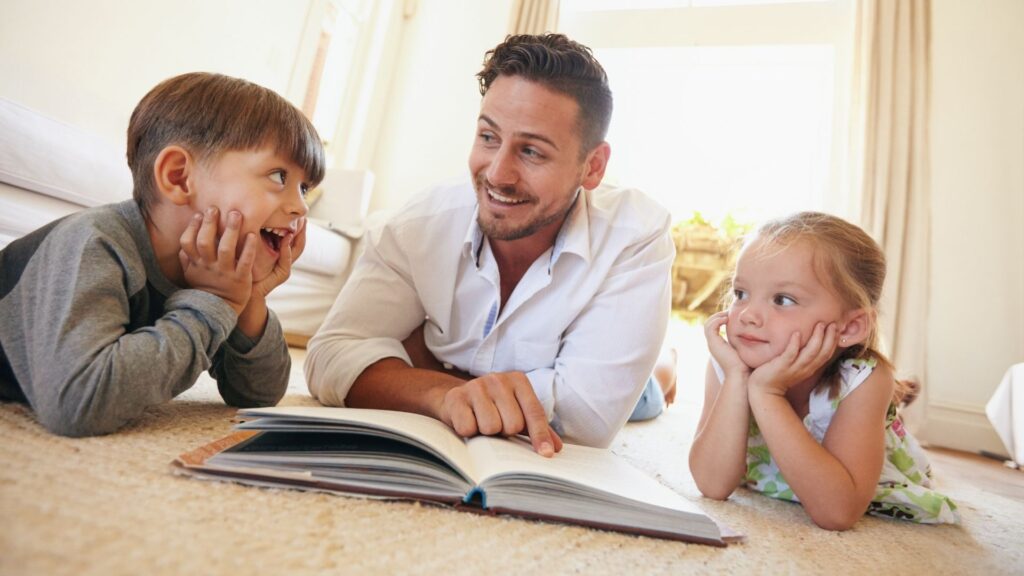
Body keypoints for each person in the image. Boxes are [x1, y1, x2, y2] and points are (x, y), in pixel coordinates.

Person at [305, 33, 675, 455]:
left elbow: (586, 422)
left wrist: (414, 367)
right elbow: (329, 356)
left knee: (647, 396)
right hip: (496, 363)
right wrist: (443, 394)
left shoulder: (636, 236)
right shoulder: (418, 225)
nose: (497, 174)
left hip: (609, 367)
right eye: (488, 136)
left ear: (592, 167)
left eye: (532, 151)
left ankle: (665, 362)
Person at [0, 72, 323, 437]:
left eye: (305, 188)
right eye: (279, 176)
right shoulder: (95, 242)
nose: (300, 207)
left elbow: (258, 395)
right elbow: (77, 403)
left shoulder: (214, 269)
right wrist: (212, 303)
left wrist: (249, 300)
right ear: (179, 177)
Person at [688, 212, 959, 530]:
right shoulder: (729, 366)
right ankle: (900, 393)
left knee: (880, 395)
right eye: (740, 294)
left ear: (851, 326)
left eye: (782, 300)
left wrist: (767, 392)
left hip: (864, 462)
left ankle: (894, 401)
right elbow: (712, 485)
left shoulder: (864, 380)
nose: (748, 314)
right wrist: (738, 379)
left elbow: (837, 513)